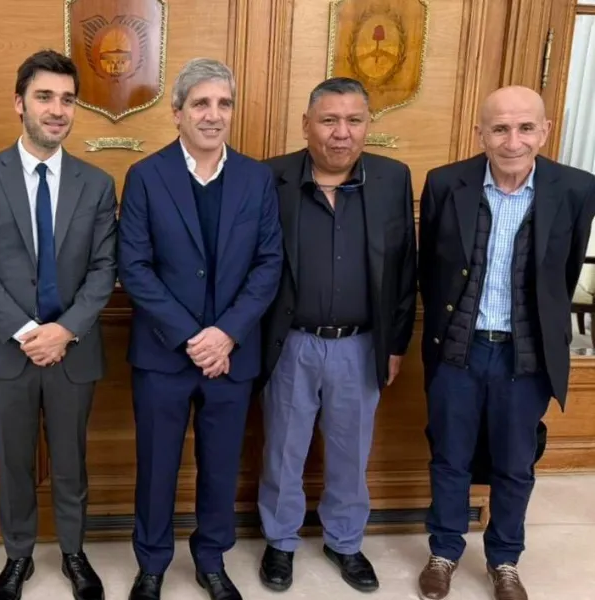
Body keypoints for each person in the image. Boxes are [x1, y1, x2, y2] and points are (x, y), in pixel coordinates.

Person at [416, 85, 595, 600]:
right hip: (459, 349)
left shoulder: (576, 189)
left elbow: (561, 275)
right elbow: (433, 269)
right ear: (481, 133)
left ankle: (505, 561)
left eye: (524, 128)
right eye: (499, 128)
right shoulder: (446, 183)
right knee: (449, 455)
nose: (512, 140)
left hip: (527, 353)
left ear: (544, 131)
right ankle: (444, 551)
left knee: (515, 464)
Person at [0, 49, 118, 600]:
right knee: (14, 462)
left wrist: (63, 331)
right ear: (18, 103)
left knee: (72, 461)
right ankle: (18, 556)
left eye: (67, 100)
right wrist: (28, 332)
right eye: (45, 97)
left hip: (72, 349)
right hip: (8, 350)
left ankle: (74, 553)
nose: (57, 110)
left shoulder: (96, 185)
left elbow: (103, 269)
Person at [117, 57, 283, 600]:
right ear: (178, 113)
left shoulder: (258, 179)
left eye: (224, 104)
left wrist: (226, 334)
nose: (213, 115)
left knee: (219, 466)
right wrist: (194, 336)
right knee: (157, 466)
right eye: (201, 104)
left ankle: (212, 560)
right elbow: (134, 267)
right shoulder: (145, 176)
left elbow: (268, 264)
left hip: (232, 356)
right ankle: (153, 563)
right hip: (165, 353)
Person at [254, 77, 417, 594]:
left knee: (351, 450)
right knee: (284, 448)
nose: (341, 133)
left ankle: (345, 542)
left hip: (361, 344)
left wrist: (395, 345)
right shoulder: (270, 178)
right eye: (329, 120)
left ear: (368, 125)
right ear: (307, 125)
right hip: (289, 343)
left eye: (354, 120)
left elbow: (404, 272)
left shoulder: (392, 179)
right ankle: (280, 543)